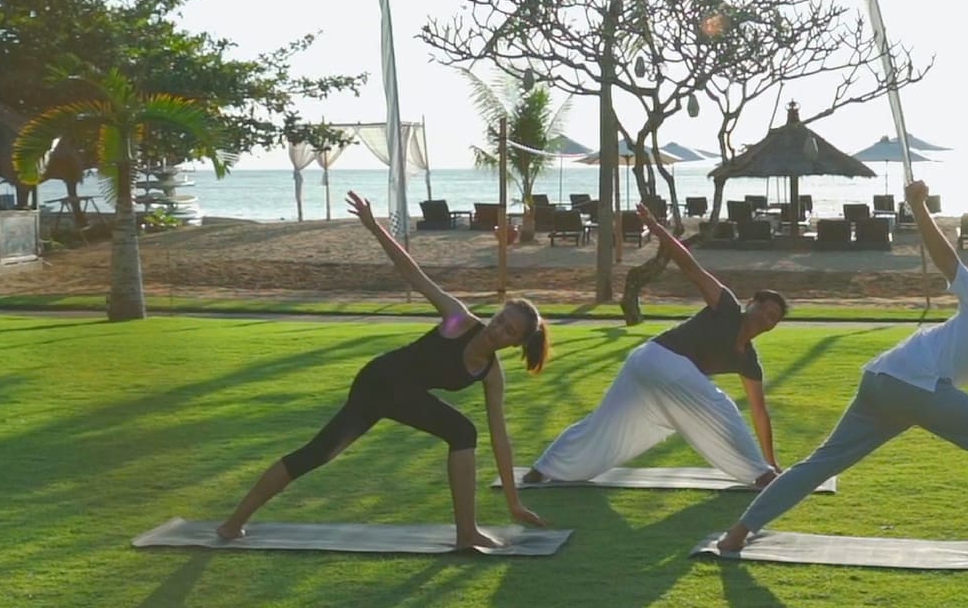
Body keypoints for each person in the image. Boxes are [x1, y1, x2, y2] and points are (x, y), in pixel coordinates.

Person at [716, 179, 968, 560]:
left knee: (821, 465)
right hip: (908, 383)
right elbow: (947, 261)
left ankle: (737, 533)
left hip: (886, 382)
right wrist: (918, 206)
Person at [216, 191, 552, 549]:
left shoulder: (491, 374)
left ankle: (466, 533)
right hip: (379, 381)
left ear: (515, 344)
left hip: (403, 394)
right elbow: (414, 274)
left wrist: (513, 501)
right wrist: (375, 228)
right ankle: (233, 523)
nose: (497, 329)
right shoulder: (458, 319)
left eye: (508, 331)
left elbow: (500, 438)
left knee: (461, 432)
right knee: (320, 453)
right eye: (500, 319)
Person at [523, 204, 788, 489]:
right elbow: (690, 266)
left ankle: (542, 469)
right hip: (659, 358)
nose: (766, 319)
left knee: (603, 426)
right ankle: (761, 475)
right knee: (720, 406)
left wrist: (771, 458)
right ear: (751, 304)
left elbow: (760, 412)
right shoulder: (726, 307)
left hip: (649, 366)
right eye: (764, 310)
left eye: (773, 318)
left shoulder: (748, 360)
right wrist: (658, 228)